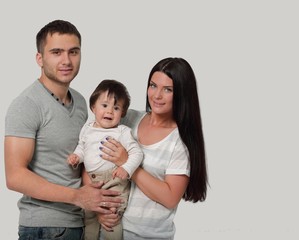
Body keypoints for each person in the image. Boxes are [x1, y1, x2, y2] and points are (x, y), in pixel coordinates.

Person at [4, 20, 122, 240]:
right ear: (40, 58)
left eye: (73, 52)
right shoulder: (26, 104)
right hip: (44, 228)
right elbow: (15, 176)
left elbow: (84, 158)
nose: (66, 60)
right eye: (56, 52)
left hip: (79, 223)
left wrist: (98, 205)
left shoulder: (79, 101)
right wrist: (78, 197)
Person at [97, 57, 208, 240]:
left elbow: (170, 197)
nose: (156, 95)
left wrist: (128, 163)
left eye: (168, 89)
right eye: (153, 85)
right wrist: (98, 209)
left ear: (182, 94)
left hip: (147, 235)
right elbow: (95, 160)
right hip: (109, 230)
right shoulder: (127, 119)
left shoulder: (179, 141)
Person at [67, 79, 143, 240]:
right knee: (89, 218)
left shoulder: (122, 132)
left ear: (122, 113)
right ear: (93, 107)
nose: (110, 111)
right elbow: (82, 146)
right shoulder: (87, 128)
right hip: (92, 182)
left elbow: (137, 153)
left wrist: (126, 168)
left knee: (111, 219)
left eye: (116, 108)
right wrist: (77, 156)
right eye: (105, 105)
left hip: (114, 180)